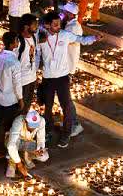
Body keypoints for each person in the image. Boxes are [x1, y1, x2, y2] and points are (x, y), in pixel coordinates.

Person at [36, 10, 98, 148]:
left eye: (59, 24)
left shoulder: (64, 35)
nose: (59, 27)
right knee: (48, 107)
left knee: (67, 106)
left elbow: (80, 39)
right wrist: (34, 71)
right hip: (48, 78)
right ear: (47, 25)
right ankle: (48, 130)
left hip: (62, 77)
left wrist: (94, 38)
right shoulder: (40, 37)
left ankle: (66, 134)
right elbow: (37, 55)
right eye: (56, 25)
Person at [0, 31, 23, 153]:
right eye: (17, 41)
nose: (18, 43)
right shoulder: (14, 62)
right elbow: (17, 84)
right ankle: (4, 149)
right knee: (8, 125)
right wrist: (20, 99)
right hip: (11, 99)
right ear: (12, 44)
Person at [5, 109, 49, 179]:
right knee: (11, 148)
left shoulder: (42, 121)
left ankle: (25, 157)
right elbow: (11, 145)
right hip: (16, 142)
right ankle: (13, 162)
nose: (33, 129)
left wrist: (39, 149)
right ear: (25, 121)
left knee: (44, 156)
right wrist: (19, 165)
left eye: (35, 126)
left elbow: (41, 139)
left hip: (28, 142)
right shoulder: (18, 121)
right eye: (31, 126)